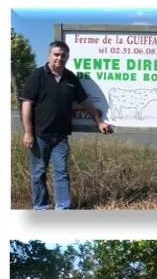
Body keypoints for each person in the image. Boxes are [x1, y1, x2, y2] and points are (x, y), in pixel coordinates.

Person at [20, 41, 112, 210]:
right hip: (39, 135)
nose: (59, 58)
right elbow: (26, 104)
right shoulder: (37, 75)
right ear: (49, 55)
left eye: (63, 55)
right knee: (38, 173)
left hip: (60, 137)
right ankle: (40, 207)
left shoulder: (70, 78)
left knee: (61, 174)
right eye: (56, 54)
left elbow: (84, 101)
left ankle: (63, 209)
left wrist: (99, 121)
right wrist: (28, 132)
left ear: (67, 57)